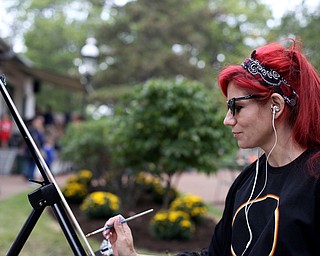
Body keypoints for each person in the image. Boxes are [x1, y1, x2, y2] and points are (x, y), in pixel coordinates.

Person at [102, 39, 320, 256]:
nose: (228, 120)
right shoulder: (247, 181)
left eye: (237, 107)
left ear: (276, 105)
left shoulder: (314, 179)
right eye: (228, 107)